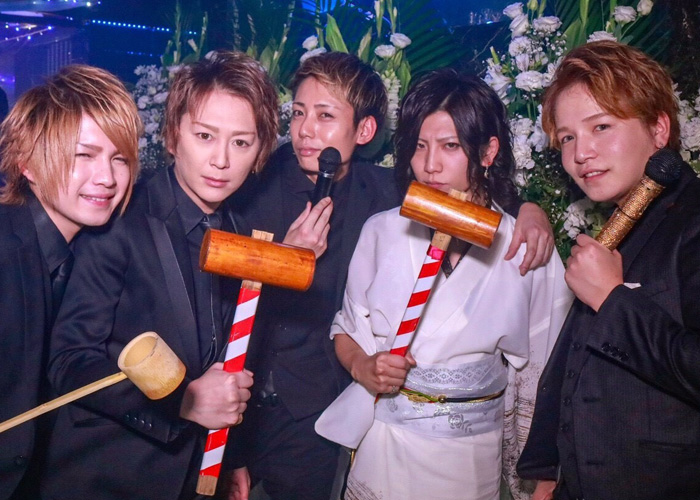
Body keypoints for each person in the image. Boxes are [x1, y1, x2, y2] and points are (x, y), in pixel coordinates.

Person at [234, 52, 556, 500]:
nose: (306, 130)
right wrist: (283, 263)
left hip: (382, 423)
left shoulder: (385, 192)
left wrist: (530, 210)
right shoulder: (251, 189)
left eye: (325, 115)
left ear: (365, 131)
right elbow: (225, 314)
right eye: (299, 113)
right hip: (270, 403)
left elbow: (473, 191)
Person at [314, 69, 571, 500]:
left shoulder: (525, 243)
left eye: (450, 146)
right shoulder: (382, 230)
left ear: (488, 151)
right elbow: (348, 328)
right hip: (385, 446)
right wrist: (364, 367)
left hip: (470, 455)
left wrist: (544, 470)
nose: (430, 165)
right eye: (420, 146)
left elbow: (551, 364)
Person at [41, 51, 278, 500]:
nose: (221, 160)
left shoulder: (244, 235)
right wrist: (183, 401)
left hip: (197, 476)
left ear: (260, 151)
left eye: (241, 143)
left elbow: (231, 361)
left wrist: (232, 455)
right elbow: (69, 358)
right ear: (172, 135)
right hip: (106, 476)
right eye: (205, 136)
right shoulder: (120, 215)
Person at [516, 41, 700, 500]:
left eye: (601, 126)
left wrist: (613, 300)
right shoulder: (628, 221)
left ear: (659, 129)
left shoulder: (692, 219)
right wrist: (551, 472)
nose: (581, 153)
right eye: (567, 138)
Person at [0, 65, 141, 500]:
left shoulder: (87, 253)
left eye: (119, 158)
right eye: (84, 155)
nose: (107, 178)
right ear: (26, 163)